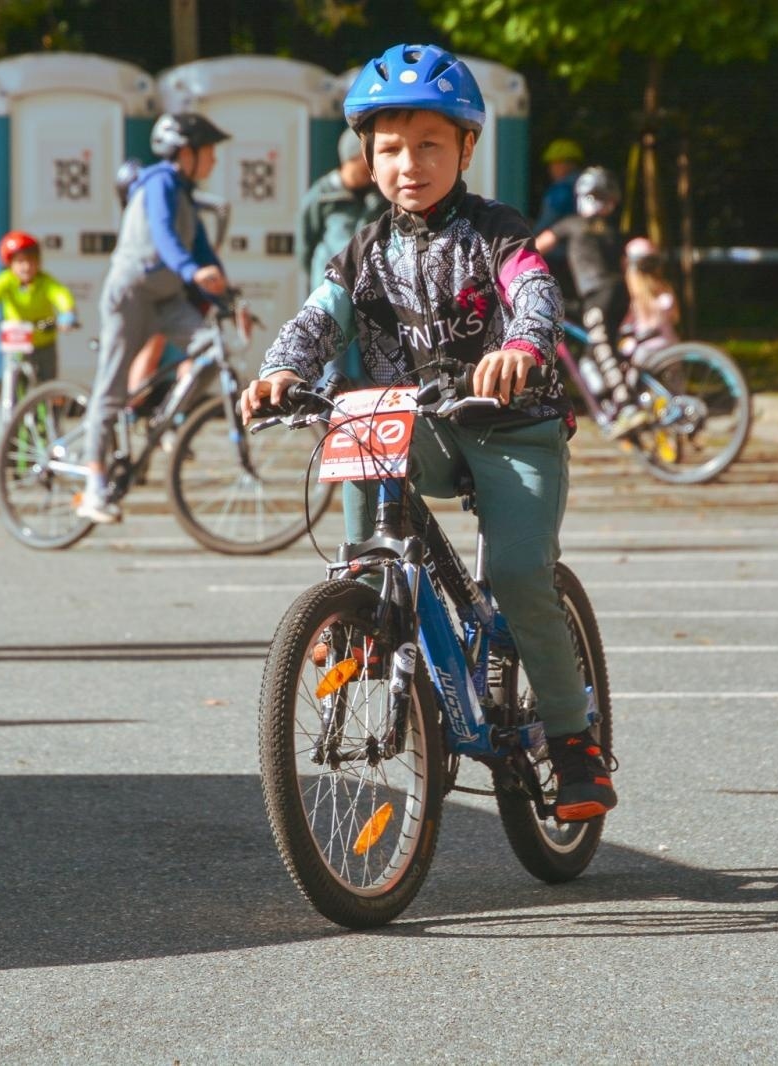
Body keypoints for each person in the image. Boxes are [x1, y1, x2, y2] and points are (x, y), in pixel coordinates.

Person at [239, 43, 616, 824]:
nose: (409, 164)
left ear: (467, 147)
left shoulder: (498, 232)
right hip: (424, 425)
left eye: (429, 146)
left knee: (517, 577)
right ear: (368, 157)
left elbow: (535, 289)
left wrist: (520, 347)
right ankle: (366, 602)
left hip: (513, 428)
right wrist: (280, 369)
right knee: (354, 430)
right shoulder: (363, 248)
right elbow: (321, 316)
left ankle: (575, 740)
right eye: (390, 149)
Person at [77, 111, 231, 523]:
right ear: (187, 152)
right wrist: (190, 272)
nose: (215, 161)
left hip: (166, 299)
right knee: (110, 387)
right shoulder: (160, 181)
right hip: (131, 293)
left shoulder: (184, 192)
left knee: (212, 349)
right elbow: (163, 235)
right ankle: (94, 485)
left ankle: (164, 419)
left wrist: (230, 301)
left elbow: (202, 250)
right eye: (209, 151)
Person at [538, 166, 646, 437]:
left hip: (597, 294)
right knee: (590, 356)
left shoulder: (571, 224)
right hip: (619, 293)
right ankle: (610, 405)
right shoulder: (613, 231)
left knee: (601, 347)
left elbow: (534, 249)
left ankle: (626, 405)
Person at [0, 229, 77, 384]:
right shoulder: (6, 280)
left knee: (47, 381)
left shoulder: (45, 282)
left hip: (43, 336)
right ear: (10, 263)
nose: (26, 267)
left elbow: (60, 294)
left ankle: (47, 405)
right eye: (20, 262)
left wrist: (67, 313)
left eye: (31, 261)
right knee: (15, 380)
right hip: (17, 340)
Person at [298, 128, 384, 288]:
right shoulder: (323, 195)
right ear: (352, 158)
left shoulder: (380, 196)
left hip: (369, 287)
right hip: (331, 284)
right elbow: (305, 245)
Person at [531, 137, 583, 297]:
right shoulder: (586, 186)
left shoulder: (561, 190)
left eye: (554, 163)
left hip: (558, 256)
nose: (551, 169)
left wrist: (530, 239)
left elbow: (547, 222)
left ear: (565, 164)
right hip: (583, 257)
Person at [621, 236, 679, 366]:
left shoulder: (632, 297)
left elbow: (625, 327)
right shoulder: (665, 291)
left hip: (643, 351)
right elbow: (674, 317)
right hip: (671, 347)